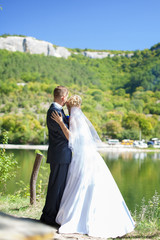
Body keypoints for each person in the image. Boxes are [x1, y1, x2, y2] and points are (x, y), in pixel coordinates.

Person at [51, 95, 135, 239]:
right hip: (91, 156)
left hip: (81, 158)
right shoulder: (81, 118)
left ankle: (79, 218)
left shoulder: (73, 119)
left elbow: (72, 138)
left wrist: (60, 123)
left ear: (70, 107)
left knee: (80, 184)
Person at [40, 86, 72, 226]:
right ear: (63, 97)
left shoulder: (58, 110)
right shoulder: (55, 111)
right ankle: (49, 217)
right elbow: (66, 136)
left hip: (60, 154)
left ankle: (53, 215)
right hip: (60, 154)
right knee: (56, 186)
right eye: (67, 97)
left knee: (58, 186)